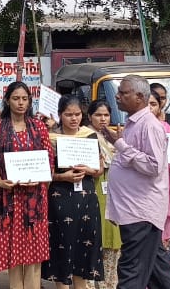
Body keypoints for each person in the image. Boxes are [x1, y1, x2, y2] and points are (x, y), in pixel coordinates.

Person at [97, 75, 170, 289]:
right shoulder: (133, 122)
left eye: (123, 93)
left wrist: (120, 144)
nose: (117, 96)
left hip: (141, 212)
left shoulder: (149, 125)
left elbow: (154, 167)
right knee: (157, 272)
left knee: (131, 271)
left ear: (140, 97)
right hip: (135, 211)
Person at [0, 81, 53, 289]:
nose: (20, 103)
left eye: (25, 99)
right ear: (7, 100)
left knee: (34, 254)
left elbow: (49, 160)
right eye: (16, 98)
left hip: (35, 197)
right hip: (8, 198)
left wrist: (41, 178)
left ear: (30, 101)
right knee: (12, 252)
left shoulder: (39, 126)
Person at [45, 96, 105, 289]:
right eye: (68, 114)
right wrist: (64, 177)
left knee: (84, 245)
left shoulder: (89, 135)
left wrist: (87, 170)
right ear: (60, 115)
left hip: (87, 196)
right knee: (62, 241)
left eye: (77, 114)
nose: (73, 118)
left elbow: (99, 168)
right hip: (60, 196)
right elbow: (44, 171)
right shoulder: (50, 137)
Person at [147, 92, 170, 287]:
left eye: (153, 104)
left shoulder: (169, 131)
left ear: (160, 106)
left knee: (164, 242)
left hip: (166, 189)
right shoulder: (134, 130)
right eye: (146, 104)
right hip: (144, 193)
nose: (149, 108)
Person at [88, 100, 123, 289]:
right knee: (94, 238)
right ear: (89, 117)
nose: (103, 119)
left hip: (114, 190)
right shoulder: (86, 136)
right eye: (98, 115)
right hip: (94, 189)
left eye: (106, 115)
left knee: (113, 239)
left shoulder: (113, 137)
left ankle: (109, 284)